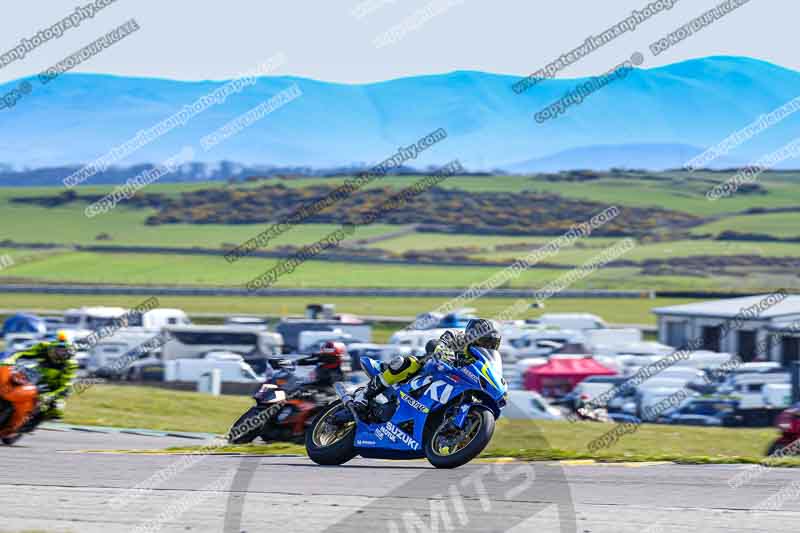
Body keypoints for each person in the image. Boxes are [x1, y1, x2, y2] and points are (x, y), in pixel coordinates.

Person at [351, 318, 501, 413]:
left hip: (455, 384)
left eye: (492, 344)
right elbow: (439, 342)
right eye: (485, 342)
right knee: (410, 363)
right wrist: (441, 350)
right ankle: (364, 395)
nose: (488, 347)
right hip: (432, 371)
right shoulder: (458, 338)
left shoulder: (483, 362)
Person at [0, 332, 78, 422]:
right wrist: (11, 359)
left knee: (56, 409)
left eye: (65, 351)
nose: (61, 354)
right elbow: (22, 353)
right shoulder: (43, 347)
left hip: (52, 387)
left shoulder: (70, 364)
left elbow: (65, 387)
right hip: (36, 375)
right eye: (58, 350)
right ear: (51, 348)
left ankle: (33, 419)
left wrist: (50, 395)